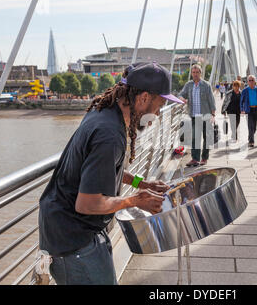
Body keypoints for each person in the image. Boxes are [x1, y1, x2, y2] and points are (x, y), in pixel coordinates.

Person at [38, 62, 184, 285]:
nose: (159, 113)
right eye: (160, 104)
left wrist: (141, 183)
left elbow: (104, 170)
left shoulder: (105, 113)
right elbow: (87, 204)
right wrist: (135, 200)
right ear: (144, 98)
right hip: (73, 238)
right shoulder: (109, 135)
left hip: (73, 229)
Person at [179, 64, 216, 167]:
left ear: (200, 73)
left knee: (206, 137)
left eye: (197, 72)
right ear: (192, 73)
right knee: (195, 138)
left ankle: (204, 158)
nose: (195, 74)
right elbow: (181, 94)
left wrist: (213, 114)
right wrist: (182, 98)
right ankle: (195, 159)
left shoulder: (206, 85)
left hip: (206, 115)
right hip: (194, 116)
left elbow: (211, 100)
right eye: (193, 72)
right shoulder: (188, 85)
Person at [240, 75, 257, 148]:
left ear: (255, 81)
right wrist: (242, 109)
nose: (251, 82)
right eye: (249, 80)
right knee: (250, 125)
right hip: (248, 110)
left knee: (255, 126)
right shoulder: (245, 90)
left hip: (256, 109)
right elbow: (241, 101)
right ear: (247, 82)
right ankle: (251, 141)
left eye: (252, 80)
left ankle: (250, 136)